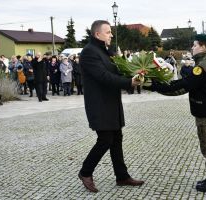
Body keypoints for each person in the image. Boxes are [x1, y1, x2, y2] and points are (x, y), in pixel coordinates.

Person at [143, 34, 206, 192]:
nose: (192, 48)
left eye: (194, 45)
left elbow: (184, 85)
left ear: (203, 46)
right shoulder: (204, 61)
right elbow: (185, 86)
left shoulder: (203, 66)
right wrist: (158, 86)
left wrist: (156, 86)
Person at [78, 20, 144, 193]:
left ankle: (122, 176)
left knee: (116, 140)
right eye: (108, 32)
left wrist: (136, 73)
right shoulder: (89, 52)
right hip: (99, 105)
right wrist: (129, 82)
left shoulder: (107, 51)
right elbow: (103, 76)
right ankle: (85, 172)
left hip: (112, 103)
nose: (111, 35)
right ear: (97, 34)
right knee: (105, 140)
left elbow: (117, 71)